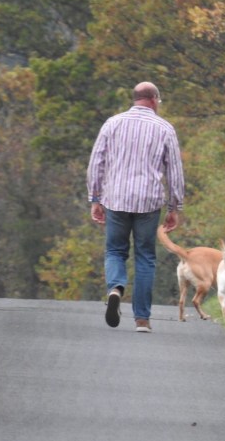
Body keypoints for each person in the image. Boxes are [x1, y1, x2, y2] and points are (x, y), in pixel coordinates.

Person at [87, 81, 185, 333]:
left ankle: (115, 289)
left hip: (116, 198)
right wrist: (174, 207)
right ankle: (142, 319)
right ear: (153, 99)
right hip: (148, 202)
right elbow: (174, 171)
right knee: (145, 257)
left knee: (115, 251)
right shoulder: (164, 128)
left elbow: (96, 162)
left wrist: (95, 198)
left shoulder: (112, 123)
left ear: (136, 99)